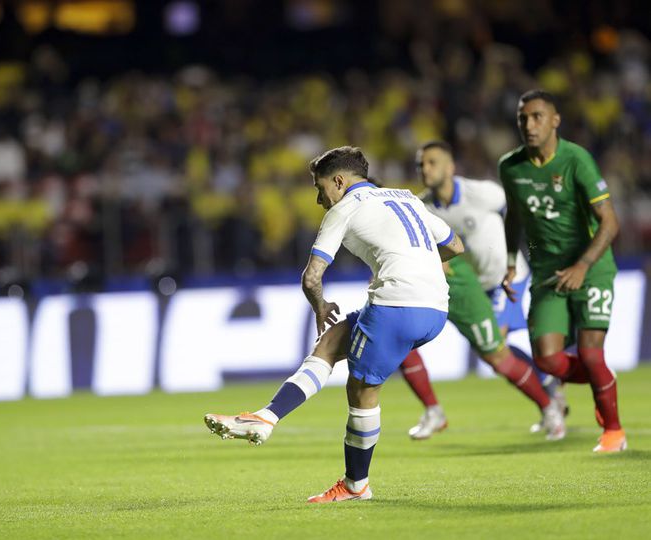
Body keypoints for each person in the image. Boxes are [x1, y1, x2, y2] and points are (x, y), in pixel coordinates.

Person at [205, 146, 464, 502]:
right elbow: (455, 245)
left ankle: (356, 485)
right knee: (331, 344)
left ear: (340, 181)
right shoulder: (405, 197)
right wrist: (421, 265)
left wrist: (319, 306)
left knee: (361, 392)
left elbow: (311, 278)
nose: (318, 199)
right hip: (436, 309)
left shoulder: (345, 208)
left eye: (320, 187)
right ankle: (265, 417)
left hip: (396, 305)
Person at [402, 141, 565, 441]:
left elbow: (518, 210)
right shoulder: (424, 208)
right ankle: (548, 388)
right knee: (491, 349)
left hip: (505, 277)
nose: (425, 169)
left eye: (432, 163)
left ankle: (550, 396)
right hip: (475, 286)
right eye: (421, 165)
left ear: (450, 168)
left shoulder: (481, 193)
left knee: (496, 345)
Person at [499, 89, 625, 453]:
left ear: (555, 120)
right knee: (548, 360)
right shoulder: (510, 166)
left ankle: (613, 431)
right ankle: (604, 380)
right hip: (547, 273)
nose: (529, 124)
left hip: (592, 267)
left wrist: (584, 265)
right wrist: (510, 262)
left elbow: (610, 222)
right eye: (523, 118)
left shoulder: (576, 160)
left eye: (537, 116)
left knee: (589, 354)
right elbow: (514, 216)